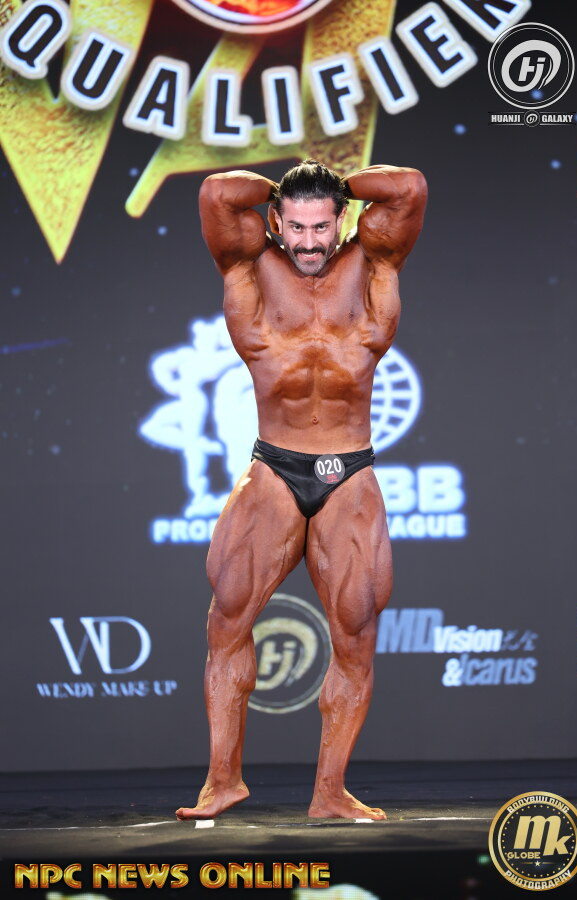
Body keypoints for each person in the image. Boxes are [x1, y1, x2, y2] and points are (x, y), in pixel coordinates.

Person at [176, 158, 427, 821]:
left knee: (356, 631)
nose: (310, 242)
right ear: (276, 223)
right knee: (228, 616)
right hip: (274, 468)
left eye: (322, 226)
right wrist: (286, 189)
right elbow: (216, 192)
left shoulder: (374, 260)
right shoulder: (247, 263)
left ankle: (329, 792)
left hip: (350, 472)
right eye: (297, 227)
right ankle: (222, 781)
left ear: (342, 219)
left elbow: (408, 187)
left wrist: (336, 186)